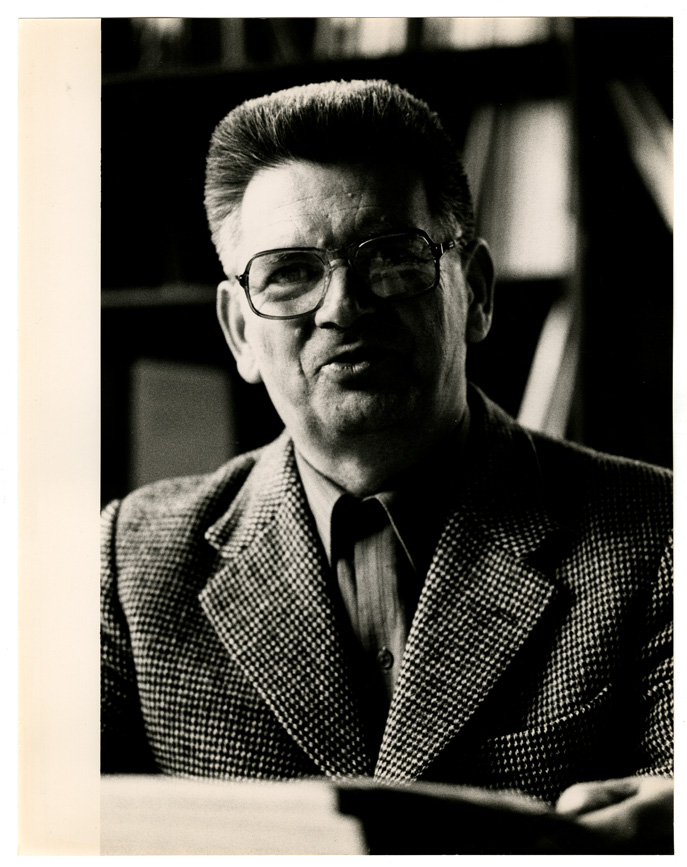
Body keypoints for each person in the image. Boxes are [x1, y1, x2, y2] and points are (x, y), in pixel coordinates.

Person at [101, 80, 673, 851]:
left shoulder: (656, 535)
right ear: (238, 332)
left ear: (474, 294)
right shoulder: (131, 561)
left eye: (393, 258)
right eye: (288, 272)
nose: (342, 306)